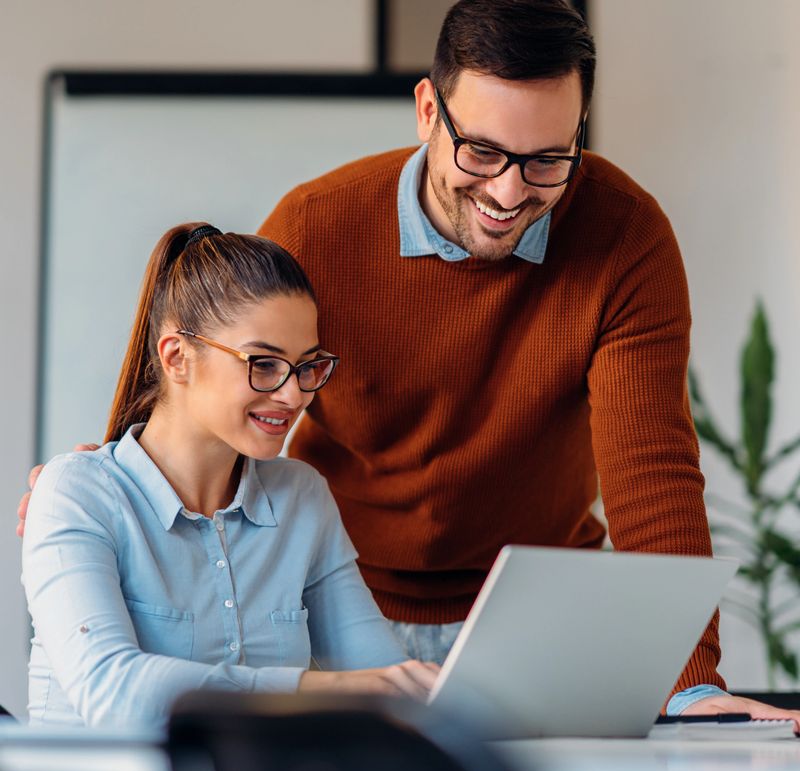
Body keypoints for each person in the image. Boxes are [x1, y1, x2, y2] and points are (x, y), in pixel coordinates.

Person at [17, 0, 800, 725]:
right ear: (428, 110)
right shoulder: (318, 225)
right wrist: (117, 478)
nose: (509, 191)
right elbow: (223, 359)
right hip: (343, 596)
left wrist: (688, 683)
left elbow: (651, 468)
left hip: (533, 615)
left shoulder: (625, 237)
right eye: (483, 151)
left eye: (546, 160)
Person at [22, 223, 437, 728]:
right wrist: (318, 688)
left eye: (307, 366)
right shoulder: (77, 493)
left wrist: (423, 692)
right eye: (264, 364)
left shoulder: (301, 497)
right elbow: (112, 691)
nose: (293, 395)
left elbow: (381, 676)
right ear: (177, 357)